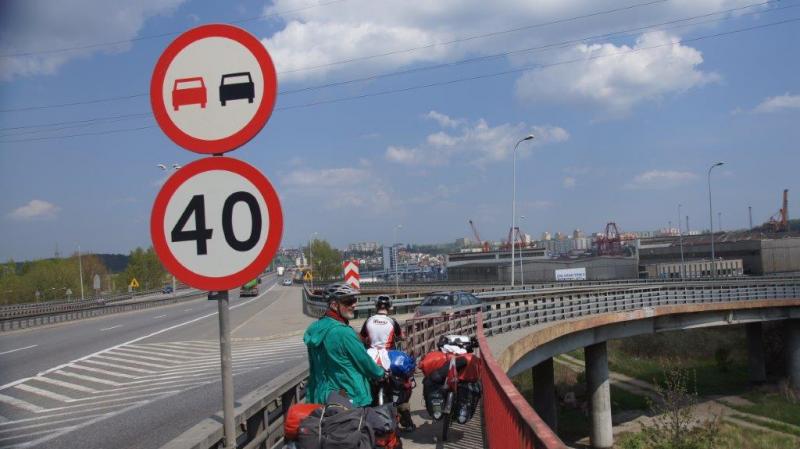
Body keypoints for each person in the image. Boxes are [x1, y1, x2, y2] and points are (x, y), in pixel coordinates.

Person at [304, 283, 386, 407]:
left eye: (354, 300)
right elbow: (363, 361)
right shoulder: (344, 332)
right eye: (348, 301)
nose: (354, 304)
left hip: (321, 396)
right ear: (334, 305)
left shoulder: (315, 328)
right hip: (349, 395)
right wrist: (380, 373)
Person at [360, 295, 415, 430]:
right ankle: (406, 422)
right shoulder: (392, 321)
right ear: (389, 307)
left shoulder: (369, 320)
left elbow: (361, 338)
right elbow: (401, 336)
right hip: (389, 358)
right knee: (401, 386)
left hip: (370, 358)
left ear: (376, 307)